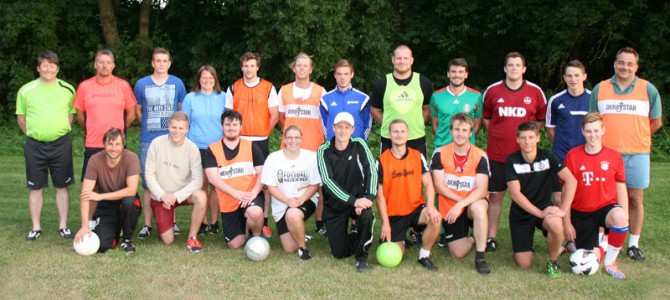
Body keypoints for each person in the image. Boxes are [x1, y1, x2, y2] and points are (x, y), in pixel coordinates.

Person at [589, 47, 663, 262]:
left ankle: (633, 243)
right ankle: (604, 242)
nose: (625, 67)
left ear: (636, 67)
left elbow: (656, 121)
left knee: (635, 199)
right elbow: (593, 120)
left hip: (637, 154)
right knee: (604, 199)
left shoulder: (648, 89)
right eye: (621, 62)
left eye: (630, 64)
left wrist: (638, 137)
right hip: (607, 154)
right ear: (614, 64)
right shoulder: (600, 88)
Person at [482, 52, 547, 252]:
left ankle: (526, 238)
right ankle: (491, 237)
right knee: (495, 197)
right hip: (498, 155)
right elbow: (486, 118)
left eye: (518, 65)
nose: (514, 68)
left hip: (525, 157)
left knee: (526, 197)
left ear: (524, 69)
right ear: (505, 68)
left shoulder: (535, 92)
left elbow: (539, 121)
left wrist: (527, 143)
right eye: (510, 65)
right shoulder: (492, 91)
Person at [16, 51, 76, 241]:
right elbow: (21, 118)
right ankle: (36, 227)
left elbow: (71, 115)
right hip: (35, 145)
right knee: (36, 187)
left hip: (61, 144)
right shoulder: (26, 90)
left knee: (62, 186)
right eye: (45, 65)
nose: (48, 69)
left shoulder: (68, 89)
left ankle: (63, 226)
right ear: (38, 68)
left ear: (57, 68)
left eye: (52, 65)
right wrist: (35, 134)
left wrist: (58, 130)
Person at [562, 112, 629, 279]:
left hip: (605, 208)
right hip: (581, 212)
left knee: (620, 218)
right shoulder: (573, 155)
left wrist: (625, 215)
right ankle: (597, 245)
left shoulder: (614, 156)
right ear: (583, 132)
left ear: (603, 131)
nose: (593, 135)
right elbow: (565, 192)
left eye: (596, 131)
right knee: (587, 256)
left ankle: (610, 264)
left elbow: (621, 187)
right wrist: (567, 222)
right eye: (589, 131)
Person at [505, 122, 576, 278]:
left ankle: (552, 261)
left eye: (531, 137)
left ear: (538, 138)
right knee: (524, 264)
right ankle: (523, 247)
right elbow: (516, 195)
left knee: (556, 223)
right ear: (517, 140)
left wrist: (563, 211)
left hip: (545, 208)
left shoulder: (547, 156)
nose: (527, 141)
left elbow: (571, 181)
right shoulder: (511, 160)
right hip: (521, 214)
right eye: (523, 138)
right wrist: (540, 213)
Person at [134, 47, 187, 239]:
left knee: (172, 179)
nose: (161, 64)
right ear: (152, 63)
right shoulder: (142, 84)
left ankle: (172, 221)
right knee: (149, 182)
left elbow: (180, 111)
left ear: (169, 63)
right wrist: (149, 127)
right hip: (148, 139)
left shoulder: (177, 83)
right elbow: (138, 110)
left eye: (165, 61)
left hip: (172, 138)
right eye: (158, 60)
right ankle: (147, 224)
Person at [226, 51, 279, 239]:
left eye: (252, 65)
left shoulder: (268, 87)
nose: (249, 69)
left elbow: (275, 115)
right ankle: (240, 216)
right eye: (246, 66)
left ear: (258, 67)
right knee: (241, 177)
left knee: (262, 181)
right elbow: (229, 117)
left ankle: (263, 222)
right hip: (239, 140)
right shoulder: (233, 88)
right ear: (242, 67)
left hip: (260, 139)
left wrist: (264, 133)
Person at [430, 113, 491, 274]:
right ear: (450, 131)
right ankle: (474, 236)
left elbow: (482, 190)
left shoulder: (480, 155)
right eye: (457, 129)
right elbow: (439, 187)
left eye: (464, 130)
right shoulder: (440, 153)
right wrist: (459, 203)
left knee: (478, 208)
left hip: (473, 203)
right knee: (458, 253)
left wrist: (463, 203)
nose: (460, 134)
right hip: (451, 206)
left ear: (471, 133)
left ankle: (480, 257)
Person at [317, 112, 377, 272]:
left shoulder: (359, 145)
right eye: (339, 127)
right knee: (339, 253)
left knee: (366, 214)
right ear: (333, 128)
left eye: (347, 127)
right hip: (335, 205)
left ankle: (361, 257)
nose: (343, 131)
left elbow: (371, 170)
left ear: (353, 129)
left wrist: (368, 198)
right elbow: (328, 182)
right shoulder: (323, 150)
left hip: (357, 200)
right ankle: (356, 232)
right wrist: (353, 201)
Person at [377, 119, 440, 271]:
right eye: (395, 132)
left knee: (436, 218)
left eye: (402, 131)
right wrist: (385, 223)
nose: (399, 135)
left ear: (408, 134)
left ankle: (424, 255)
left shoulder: (417, 156)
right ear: (389, 135)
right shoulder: (381, 161)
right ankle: (402, 238)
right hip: (394, 214)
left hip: (415, 208)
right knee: (398, 254)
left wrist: (430, 207)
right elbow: (379, 197)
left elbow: (429, 184)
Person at [318, 59, 371, 236]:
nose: (342, 77)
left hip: (354, 149)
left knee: (357, 182)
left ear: (352, 75)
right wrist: (331, 144)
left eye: (346, 74)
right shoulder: (326, 99)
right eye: (339, 74)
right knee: (332, 183)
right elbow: (324, 125)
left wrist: (358, 144)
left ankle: (356, 222)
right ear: (334, 75)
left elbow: (367, 124)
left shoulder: (363, 98)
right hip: (334, 151)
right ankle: (332, 220)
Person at [278, 52, 327, 236]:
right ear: (293, 68)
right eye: (299, 65)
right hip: (290, 148)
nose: (302, 68)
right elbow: (282, 118)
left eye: (305, 65)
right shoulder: (284, 90)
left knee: (318, 185)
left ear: (311, 69)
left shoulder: (320, 91)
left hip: (314, 146)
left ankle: (320, 222)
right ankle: (293, 223)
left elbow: (324, 118)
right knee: (292, 185)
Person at [144, 112, 207, 252]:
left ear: (187, 129)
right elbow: (148, 174)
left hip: (182, 194)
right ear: (168, 126)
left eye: (181, 128)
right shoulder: (156, 143)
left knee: (201, 196)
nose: (177, 131)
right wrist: (162, 195)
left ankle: (192, 237)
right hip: (162, 196)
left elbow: (198, 181)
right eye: (174, 127)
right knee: (168, 240)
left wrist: (176, 197)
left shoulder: (192, 148)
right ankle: (165, 221)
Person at [204, 110, 265, 249]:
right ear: (222, 126)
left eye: (235, 125)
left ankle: (256, 237)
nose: (231, 128)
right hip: (229, 200)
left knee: (255, 213)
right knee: (234, 244)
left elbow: (262, 173)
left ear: (241, 127)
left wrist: (253, 194)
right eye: (228, 125)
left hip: (249, 196)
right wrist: (235, 193)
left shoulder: (251, 146)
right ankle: (244, 227)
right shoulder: (212, 149)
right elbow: (213, 178)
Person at [74, 128, 141, 254]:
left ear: (123, 145)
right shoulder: (94, 160)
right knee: (103, 245)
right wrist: (84, 225)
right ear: (104, 144)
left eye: (117, 144)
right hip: (106, 206)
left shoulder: (131, 158)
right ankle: (115, 230)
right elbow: (86, 194)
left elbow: (131, 191)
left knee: (130, 202)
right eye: (110, 144)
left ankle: (127, 239)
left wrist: (100, 196)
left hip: (125, 202)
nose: (113, 148)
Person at [73, 49, 136, 180]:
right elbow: (79, 113)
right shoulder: (85, 86)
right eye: (101, 62)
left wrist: (119, 130)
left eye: (108, 62)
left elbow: (131, 113)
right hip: (93, 143)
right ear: (95, 65)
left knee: (118, 183)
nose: (104, 65)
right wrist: (90, 127)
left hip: (116, 144)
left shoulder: (123, 85)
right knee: (91, 185)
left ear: (113, 66)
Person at [261, 125, 321, 260]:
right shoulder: (273, 158)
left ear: (301, 139)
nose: (293, 141)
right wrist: (287, 200)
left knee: (293, 215)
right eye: (289, 137)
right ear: (284, 139)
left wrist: (302, 199)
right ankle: (299, 233)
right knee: (289, 249)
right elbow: (271, 187)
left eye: (297, 137)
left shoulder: (311, 157)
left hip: (305, 200)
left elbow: (315, 184)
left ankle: (303, 248)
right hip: (282, 203)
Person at [182, 65, 225, 236]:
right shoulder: (190, 98)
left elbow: (229, 122)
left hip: (218, 148)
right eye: (204, 78)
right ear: (199, 80)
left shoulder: (224, 97)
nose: (207, 81)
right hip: (196, 147)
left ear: (215, 80)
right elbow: (184, 122)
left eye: (210, 78)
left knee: (216, 186)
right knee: (201, 185)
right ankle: (202, 223)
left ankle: (214, 223)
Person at [370, 44, 433, 156]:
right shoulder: (382, 83)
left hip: (416, 137)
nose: (402, 61)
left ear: (412, 60)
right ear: (393, 60)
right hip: (390, 139)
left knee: (419, 173)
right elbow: (375, 110)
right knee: (387, 173)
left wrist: (415, 123)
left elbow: (427, 109)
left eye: (406, 58)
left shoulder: (424, 83)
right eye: (399, 58)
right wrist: (391, 126)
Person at [545, 60, 590, 208]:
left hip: (586, 156)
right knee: (559, 199)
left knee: (585, 197)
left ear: (584, 76)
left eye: (577, 75)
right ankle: (561, 231)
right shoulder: (556, 100)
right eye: (569, 76)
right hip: (561, 156)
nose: (573, 79)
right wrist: (562, 145)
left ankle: (585, 230)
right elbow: (550, 128)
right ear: (564, 77)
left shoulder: (593, 99)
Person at [430, 58, 483, 148]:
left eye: (460, 72)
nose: (457, 75)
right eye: (453, 71)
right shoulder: (436, 96)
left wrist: (464, 139)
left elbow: (477, 124)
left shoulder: (476, 96)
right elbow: (435, 124)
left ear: (466, 74)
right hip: (442, 147)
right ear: (448, 74)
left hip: (466, 148)